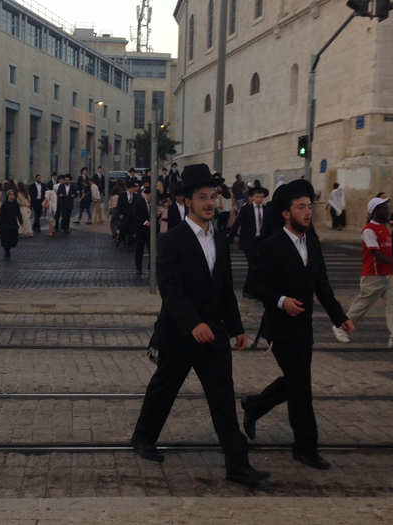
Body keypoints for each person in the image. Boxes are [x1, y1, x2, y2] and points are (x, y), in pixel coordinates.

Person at [131, 163, 269, 486]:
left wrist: (236, 327)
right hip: (180, 333)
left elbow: (224, 288)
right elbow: (170, 290)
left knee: (223, 397)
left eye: (213, 197)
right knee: (164, 388)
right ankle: (143, 437)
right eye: (203, 197)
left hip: (214, 334)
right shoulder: (172, 240)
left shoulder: (219, 239)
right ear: (188, 201)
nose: (210, 203)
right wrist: (192, 324)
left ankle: (237, 465)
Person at [243, 179, 354, 471]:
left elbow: (322, 285)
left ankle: (254, 406)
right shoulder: (272, 245)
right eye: (301, 207)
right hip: (280, 329)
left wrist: (340, 317)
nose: (308, 212)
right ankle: (306, 447)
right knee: (301, 387)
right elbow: (252, 286)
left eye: (309, 206)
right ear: (285, 213)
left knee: (295, 382)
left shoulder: (312, 243)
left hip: (305, 329)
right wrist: (281, 300)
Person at [333, 197, 393, 349]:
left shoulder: (385, 228)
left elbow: (387, 252)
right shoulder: (369, 230)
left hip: (388, 275)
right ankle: (340, 327)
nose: (387, 210)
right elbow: (376, 253)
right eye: (383, 208)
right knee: (362, 305)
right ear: (375, 211)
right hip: (373, 275)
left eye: (386, 207)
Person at [229, 182, 270, 294]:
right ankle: (248, 290)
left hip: (261, 242)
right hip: (249, 242)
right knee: (253, 265)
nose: (259, 199)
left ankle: (253, 289)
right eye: (257, 196)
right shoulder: (246, 209)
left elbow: (270, 226)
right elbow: (237, 223)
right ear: (252, 197)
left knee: (258, 266)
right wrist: (230, 237)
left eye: (261, 197)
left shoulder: (266, 210)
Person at [0, 189, 23, 259]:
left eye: (13, 195)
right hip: (5, 224)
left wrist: (21, 222)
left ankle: (8, 248)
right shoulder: (4, 205)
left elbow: (18, 214)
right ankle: (6, 251)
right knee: (5, 238)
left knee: (13, 239)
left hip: (13, 224)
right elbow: (0, 215)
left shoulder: (16, 204)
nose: (12, 196)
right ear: (8, 196)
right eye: (10, 194)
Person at [133, 187, 150, 277]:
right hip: (141, 230)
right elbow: (136, 215)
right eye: (150, 195)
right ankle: (138, 268)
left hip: (149, 231)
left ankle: (150, 267)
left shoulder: (152, 203)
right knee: (139, 250)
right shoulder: (140, 202)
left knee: (152, 249)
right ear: (146, 195)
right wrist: (145, 222)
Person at [116, 180, 139, 246]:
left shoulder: (136, 196)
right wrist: (120, 214)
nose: (135, 189)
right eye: (134, 188)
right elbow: (119, 205)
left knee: (132, 229)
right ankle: (120, 240)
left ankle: (130, 242)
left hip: (133, 216)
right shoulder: (122, 195)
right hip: (124, 215)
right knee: (123, 228)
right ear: (130, 188)